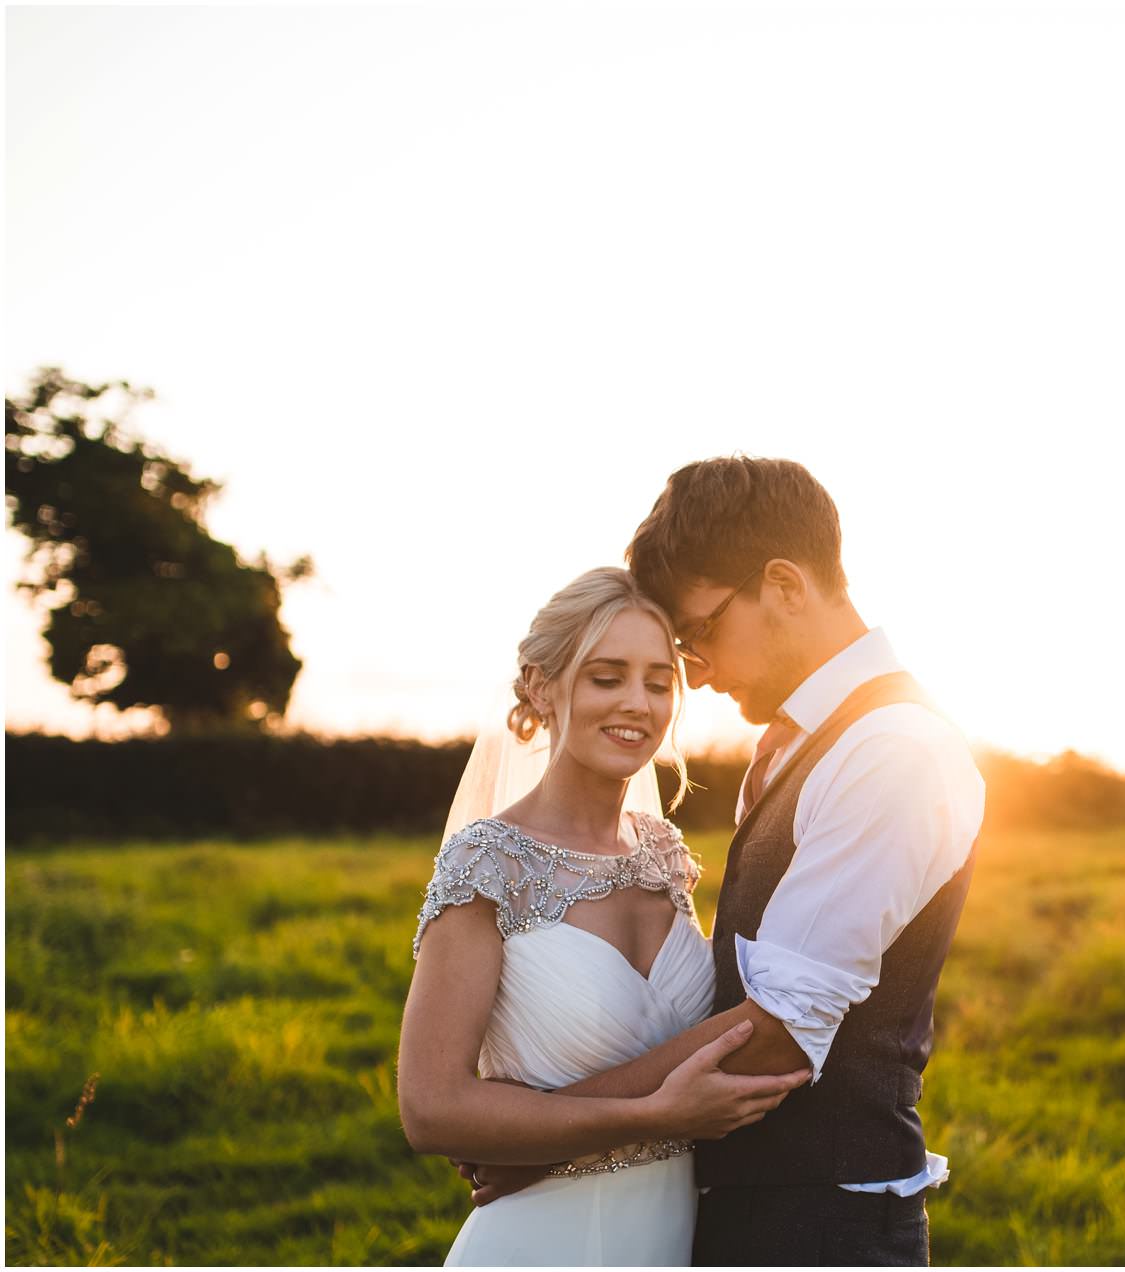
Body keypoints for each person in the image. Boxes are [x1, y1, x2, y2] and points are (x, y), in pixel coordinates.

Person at [457, 457, 986, 1265]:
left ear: (782, 584)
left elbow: (780, 1029)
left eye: (698, 631)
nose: (692, 676)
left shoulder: (893, 750)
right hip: (733, 1210)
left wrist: (538, 1135)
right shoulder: (796, 744)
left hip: (827, 1221)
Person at [398, 567, 809, 1266]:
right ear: (539, 685)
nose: (637, 703)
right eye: (606, 676)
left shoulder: (664, 855)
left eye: (658, 682)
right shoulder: (487, 867)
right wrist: (654, 1118)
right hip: (539, 1242)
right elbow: (430, 1107)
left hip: (668, 1234)